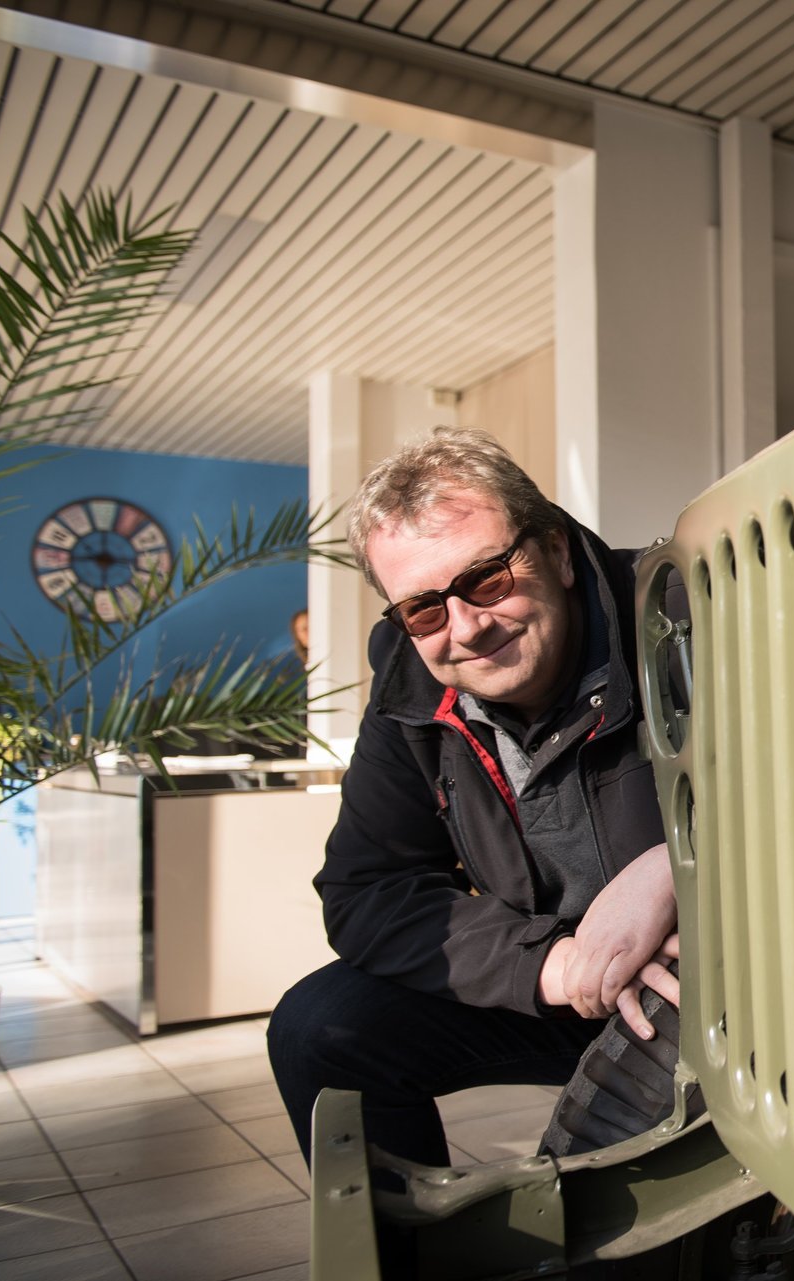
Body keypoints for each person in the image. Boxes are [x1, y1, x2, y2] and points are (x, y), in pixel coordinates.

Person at [268, 427, 682, 1167]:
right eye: (424, 609)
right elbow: (367, 889)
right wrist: (548, 964)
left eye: (487, 579)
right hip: (568, 983)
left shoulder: (682, 617)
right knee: (320, 1028)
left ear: (554, 550)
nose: (466, 627)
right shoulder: (414, 684)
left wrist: (674, 867)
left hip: (718, 966)